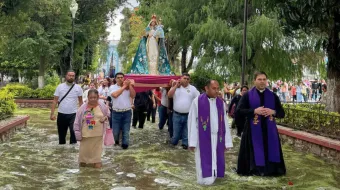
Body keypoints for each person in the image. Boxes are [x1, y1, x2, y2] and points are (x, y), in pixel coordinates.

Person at [236, 71, 286, 176]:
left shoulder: (273, 96)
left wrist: (273, 112)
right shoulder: (247, 96)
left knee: (270, 150)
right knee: (254, 152)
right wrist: (254, 111)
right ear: (254, 81)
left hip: (269, 131)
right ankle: (254, 170)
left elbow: (282, 113)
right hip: (252, 130)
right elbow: (239, 111)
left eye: (264, 79)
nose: (262, 82)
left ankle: (270, 171)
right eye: (259, 79)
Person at [188, 80, 233, 185]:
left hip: (218, 138)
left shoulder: (220, 103)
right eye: (214, 88)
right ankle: (203, 183)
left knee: (217, 162)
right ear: (206, 88)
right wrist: (192, 142)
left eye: (218, 88)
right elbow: (192, 123)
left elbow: (224, 123)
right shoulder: (197, 102)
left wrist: (227, 142)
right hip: (202, 139)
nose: (217, 91)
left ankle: (216, 179)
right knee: (203, 166)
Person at [74, 89, 110, 168]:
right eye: (91, 97)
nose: (93, 99)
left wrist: (105, 118)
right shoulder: (82, 108)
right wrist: (77, 134)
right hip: (85, 136)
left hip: (98, 136)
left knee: (97, 160)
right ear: (88, 97)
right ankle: (83, 176)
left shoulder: (102, 106)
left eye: (95, 97)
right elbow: (76, 122)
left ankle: (97, 178)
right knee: (83, 160)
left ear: (98, 97)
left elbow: (108, 115)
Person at [50, 70, 83, 144]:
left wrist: (82, 114)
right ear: (66, 76)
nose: (71, 77)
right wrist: (52, 113)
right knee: (61, 137)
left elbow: (81, 102)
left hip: (74, 114)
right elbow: (55, 101)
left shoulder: (78, 88)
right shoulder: (60, 87)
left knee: (73, 133)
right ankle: (62, 153)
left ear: (74, 77)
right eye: (69, 75)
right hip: (61, 114)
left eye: (73, 76)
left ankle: (72, 152)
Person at [168, 73, 200, 149]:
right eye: (184, 78)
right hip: (176, 115)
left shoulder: (193, 89)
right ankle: (172, 148)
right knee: (176, 136)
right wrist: (175, 86)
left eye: (187, 79)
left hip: (188, 115)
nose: (186, 80)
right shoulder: (176, 86)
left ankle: (184, 149)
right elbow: (169, 95)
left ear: (190, 80)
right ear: (181, 78)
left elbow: (199, 99)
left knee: (186, 136)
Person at [110, 72, 136, 149]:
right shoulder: (112, 87)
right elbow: (115, 95)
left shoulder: (128, 87)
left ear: (124, 78)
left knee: (126, 133)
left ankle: (125, 147)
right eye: (118, 77)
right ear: (115, 79)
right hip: (116, 113)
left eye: (122, 77)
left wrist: (130, 85)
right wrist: (125, 86)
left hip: (127, 112)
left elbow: (133, 95)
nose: (120, 79)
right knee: (115, 133)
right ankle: (117, 145)